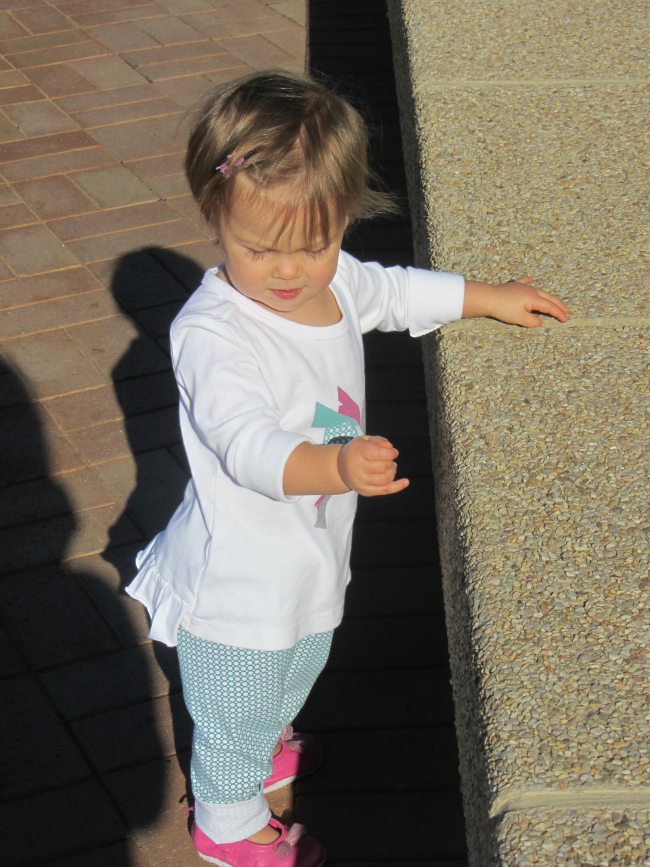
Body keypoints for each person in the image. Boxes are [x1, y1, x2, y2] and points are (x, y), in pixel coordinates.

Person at [126, 69, 570, 866]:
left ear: (343, 219)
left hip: (306, 553)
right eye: (259, 248)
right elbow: (246, 444)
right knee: (233, 709)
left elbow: (392, 293)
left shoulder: (332, 285)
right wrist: (332, 465)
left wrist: (484, 296)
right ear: (214, 215)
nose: (289, 271)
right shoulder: (214, 334)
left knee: (301, 659)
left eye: (315, 243)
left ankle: (268, 741)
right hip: (238, 581)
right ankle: (226, 823)